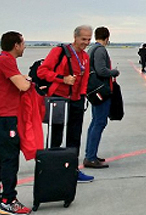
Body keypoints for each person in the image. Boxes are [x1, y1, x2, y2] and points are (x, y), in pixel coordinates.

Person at [0, 32, 33, 214]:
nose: (24, 46)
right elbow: (23, 85)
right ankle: (8, 200)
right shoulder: (5, 61)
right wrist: (27, 79)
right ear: (16, 45)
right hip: (4, 118)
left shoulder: (1, 60)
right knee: (9, 158)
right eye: (23, 43)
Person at [37, 25, 94, 183]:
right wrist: (62, 78)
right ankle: (52, 171)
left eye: (89, 39)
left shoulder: (85, 56)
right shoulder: (60, 51)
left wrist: (82, 95)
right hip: (59, 99)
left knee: (74, 138)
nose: (86, 42)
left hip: (76, 100)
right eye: (83, 39)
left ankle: (73, 171)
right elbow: (42, 71)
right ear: (75, 37)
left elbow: (85, 78)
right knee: (55, 137)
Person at [83, 27, 120, 169]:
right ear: (107, 37)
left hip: (95, 91)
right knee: (99, 122)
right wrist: (114, 72)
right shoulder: (100, 50)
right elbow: (101, 70)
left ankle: (91, 153)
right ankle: (90, 157)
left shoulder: (92, 49)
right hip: (101, 91)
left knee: (95, 122)